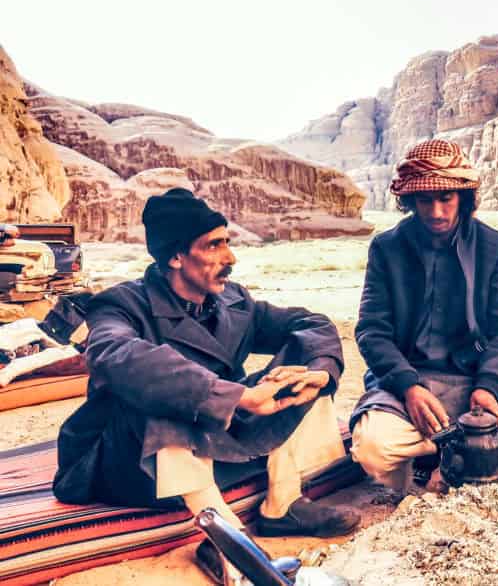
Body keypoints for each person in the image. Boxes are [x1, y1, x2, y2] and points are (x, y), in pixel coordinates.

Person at [53, 188, 359, 540]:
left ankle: (282, 504)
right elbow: (115, 353)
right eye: (213, 246)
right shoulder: (120, 305)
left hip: (210, 443)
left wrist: (319, 371)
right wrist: (238, 397)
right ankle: (225, 535)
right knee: (158, 388)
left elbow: (312, 324)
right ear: (176, 257)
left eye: (227, 242)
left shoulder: (235, 300)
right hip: (132, 463)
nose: (230, 257)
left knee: (304, 366)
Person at [350, 139, 498, 491]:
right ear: (410, 201)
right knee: (375, 448)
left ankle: (444, 458)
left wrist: (488, 387)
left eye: (446, 198)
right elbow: (372, 332)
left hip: (480, 378)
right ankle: (452, 462)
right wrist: (408, 387)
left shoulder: (495, 247)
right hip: (413, 382)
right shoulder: (386, 248)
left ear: (463, 198)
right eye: (425, 200)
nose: (436, 212)